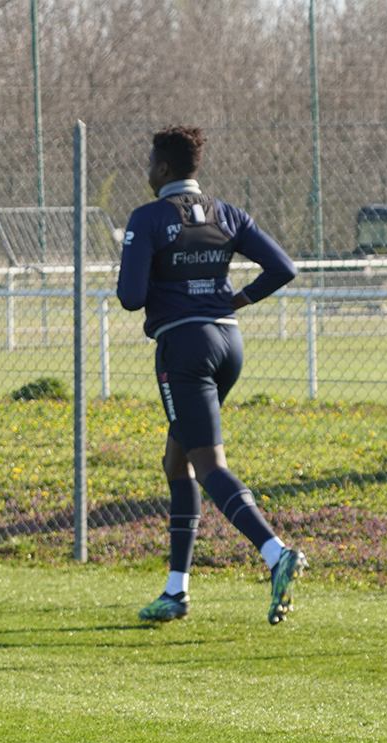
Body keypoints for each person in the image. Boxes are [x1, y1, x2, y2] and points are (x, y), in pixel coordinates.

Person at [117, 126, 304, 625]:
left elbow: (131, 297)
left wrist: (161, 282)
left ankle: (274, 552)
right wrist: (235, 299)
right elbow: (283, 267)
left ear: (162, 169)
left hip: (185, 348)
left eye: (149, 162)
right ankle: (175, 593)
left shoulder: (149, 217)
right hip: (229, 343)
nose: (146, 170)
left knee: (209, 464)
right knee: (177, 464)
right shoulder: (228, 214)